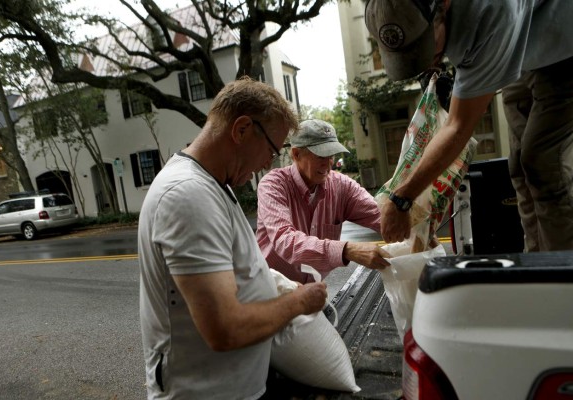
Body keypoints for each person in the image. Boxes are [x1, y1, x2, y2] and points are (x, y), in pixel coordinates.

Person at [137, 77, 328, 400]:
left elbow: (237, 267)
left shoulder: (213, 183)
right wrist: (298, 302)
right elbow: (225, 329)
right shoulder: (188, 194)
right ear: (241, 130)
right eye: (271, 149)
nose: (269, 162)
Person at [365, 0, 573, 252]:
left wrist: (402, 198)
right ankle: (536, 263)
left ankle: (561, 274)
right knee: (518, 164)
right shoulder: (427, 13)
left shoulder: (489, 15)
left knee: (542, 163)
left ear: (444, 5)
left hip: (564, 44)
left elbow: (458, 127)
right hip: (524, 42)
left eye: (426, 47)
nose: (425, 60)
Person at [256, 119, 390, 284]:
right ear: (296, 154)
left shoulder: (342, 186)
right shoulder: (273, 185)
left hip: (312, 290)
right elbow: (285, 241)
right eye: (320, 155)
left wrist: (415, 226)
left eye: (331, 155)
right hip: (272, 289)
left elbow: (381, 215)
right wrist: (346, 250)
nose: (328, 164)